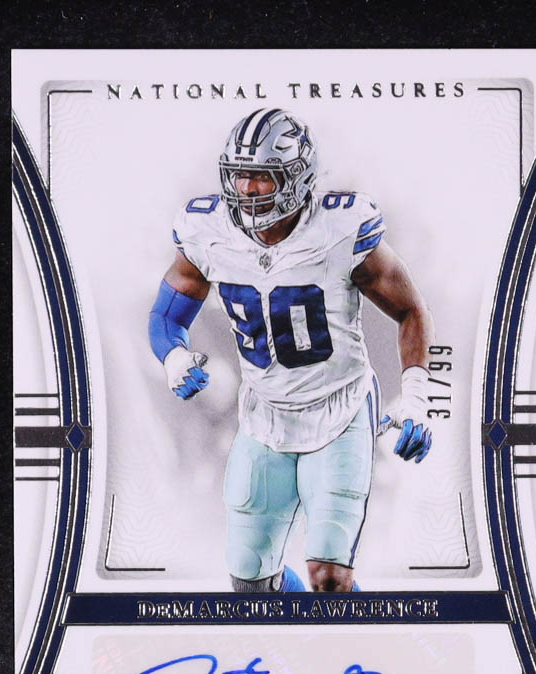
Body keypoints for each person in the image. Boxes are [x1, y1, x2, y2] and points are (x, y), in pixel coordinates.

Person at [149, 108, 434, 593]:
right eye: (239, 175)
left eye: (263, 176)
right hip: (263, 417)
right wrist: (174, 355)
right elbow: (166, 316)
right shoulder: (207, 232)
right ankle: (301, 633)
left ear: (298, 177)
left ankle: (361, 640)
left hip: (339, 408)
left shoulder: (340, 228)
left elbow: (410, 310)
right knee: (252, 586)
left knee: (330, 578)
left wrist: (417, 397)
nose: (247, 189)